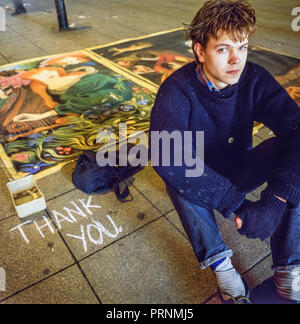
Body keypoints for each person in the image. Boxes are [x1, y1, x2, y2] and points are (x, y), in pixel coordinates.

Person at [150, 0, 300, 304]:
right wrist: (237, 205)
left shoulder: (254, 78)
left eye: (243, 47)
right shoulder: (176, 89)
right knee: (177, 175)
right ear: (200, 51)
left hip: (240, 166)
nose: (236, 60)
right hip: (201, 176)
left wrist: (274, 201)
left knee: (292, 152)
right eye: (223, 49)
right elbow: (167, 156)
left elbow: (295, 128)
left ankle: (289, 267)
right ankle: (222, 267)